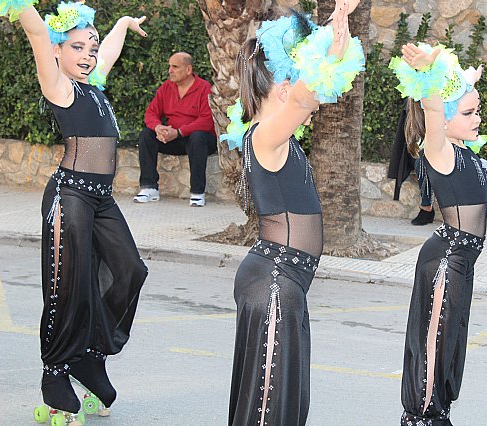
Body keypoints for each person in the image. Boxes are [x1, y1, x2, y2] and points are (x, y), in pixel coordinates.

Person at [1, 1, 148, 422]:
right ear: (58, 52)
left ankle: (90, 355)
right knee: (66, 287)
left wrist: (120, 23)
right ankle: (55, 372)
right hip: (70, 198)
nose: (87, 55)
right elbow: (34, 33)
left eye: (91, 48)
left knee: (131, 270)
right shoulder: (59, 86)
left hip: (100, 199)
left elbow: (112, 51)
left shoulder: (92, 85)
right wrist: (17, 6)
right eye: (78, 47)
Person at [222, 3, 364, 425]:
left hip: (284, 281)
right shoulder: (266, 135)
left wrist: (328, 37)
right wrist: (333, 45)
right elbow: (306, 95)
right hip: (275, 282)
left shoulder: (278, 139)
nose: (314, 92)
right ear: (283, 87)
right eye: (298, 75)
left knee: (279, 402)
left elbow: (303, 88)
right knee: (269, 406)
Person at [390, 43, 487, 425]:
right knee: (433, 345)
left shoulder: (465, 151)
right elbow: (431, 107)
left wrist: (462, 80)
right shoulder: (441, 151)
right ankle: (423, 417)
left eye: (476, 109)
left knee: (449, 344)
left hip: (460, 264)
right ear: (444, 119)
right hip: (446, 263)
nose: (476, 117)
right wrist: (432, 76)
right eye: (467, 112)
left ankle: (437, 410)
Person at [134, 52, 217, 207]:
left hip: (199, 140)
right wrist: (158, 127)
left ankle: (197, 193)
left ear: (188, 69)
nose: (170, 70)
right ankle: (149, 187)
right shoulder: (166, 87)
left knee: (198, 137)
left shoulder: (204, 88)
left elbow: (207, 121)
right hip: (173, 138)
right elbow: (151, 113)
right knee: (146, 134)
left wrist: (179, 132)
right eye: (169, 66)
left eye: (175, 67)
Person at [388, 100, 435, 225]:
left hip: (441, 148)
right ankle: (426, 207)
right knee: (421, 163)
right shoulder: (413, 105)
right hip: (419, 152)